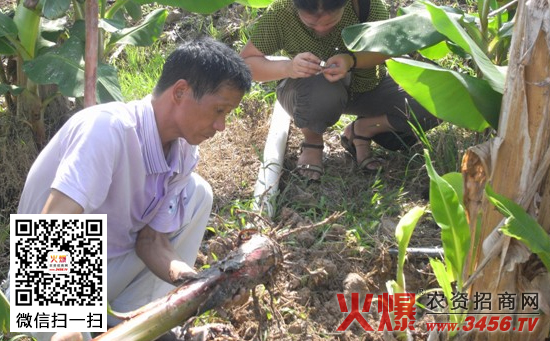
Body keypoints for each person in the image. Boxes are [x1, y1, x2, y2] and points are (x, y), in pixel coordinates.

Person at [6, 36, 252, 341]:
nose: (221, 126)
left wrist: (195, 282)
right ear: (180, 91)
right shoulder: (107, 130)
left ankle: (131, 322)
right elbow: (51, 225)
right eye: (219, 110)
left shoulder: (184, 152)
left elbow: (152, 241)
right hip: (45, 280)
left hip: (105, 274)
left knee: (198, 194)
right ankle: (76, 327)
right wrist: (69, 323)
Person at [240, 0, 440, 181]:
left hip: (367, 86)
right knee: (321, 92)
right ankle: (313, 141)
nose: (320, 30)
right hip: (308, 90)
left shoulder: (368, 6)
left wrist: (351, 61)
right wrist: (288, 68)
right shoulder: (282, 12)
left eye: (329, 23)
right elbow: (246, 63)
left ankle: (363, 130)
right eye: (310, 24)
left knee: (436, 100)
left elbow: (386, 49)